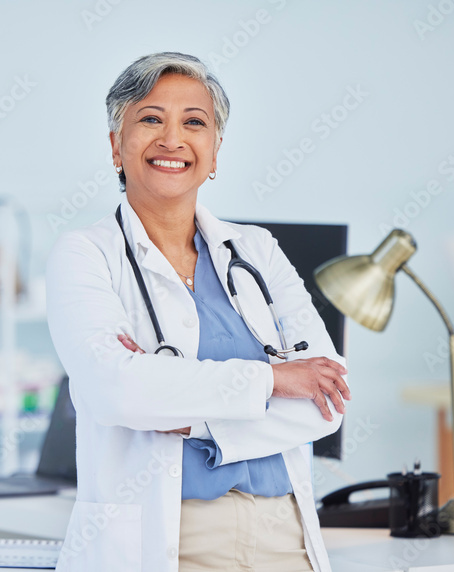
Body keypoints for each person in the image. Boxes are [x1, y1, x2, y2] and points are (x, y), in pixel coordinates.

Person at [45, 52, 351, 572]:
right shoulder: (85, 254)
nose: (172, 139)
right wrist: (274, 380)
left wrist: (192, 422)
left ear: (215, 151)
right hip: (168, 540)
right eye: (149, 119)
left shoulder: (257, 250)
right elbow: (114, 389)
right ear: (116, 146)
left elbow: (328, 397)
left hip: (285, 535)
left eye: (194, 122)